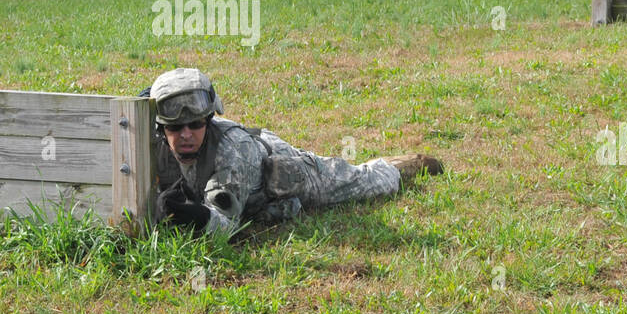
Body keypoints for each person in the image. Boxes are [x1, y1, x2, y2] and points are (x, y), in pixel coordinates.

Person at [149, 67, 443, 236]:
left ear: (209, 120)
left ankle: (400, 166)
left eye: (195, 124)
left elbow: (226, 227)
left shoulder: (231, 153)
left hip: (279, 167)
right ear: (162, 130)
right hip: (251, 191)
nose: (186, 135)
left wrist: (196, 216)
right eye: (176, 128)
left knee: (362, 183)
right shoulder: (150, 140)